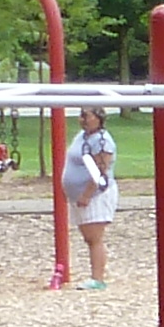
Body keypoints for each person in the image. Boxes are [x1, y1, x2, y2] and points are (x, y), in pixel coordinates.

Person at [61, 113, 121, 289]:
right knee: (88, 237)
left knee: (94, 237)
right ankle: (96, 276)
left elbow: (100, 171)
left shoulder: (102, 141)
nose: (83, 120)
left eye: (87, 116)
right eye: (81, 116)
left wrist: (87, 194)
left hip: (95, 196)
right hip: (78, 195)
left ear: (99, 118)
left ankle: (98, 278)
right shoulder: (82, 136)